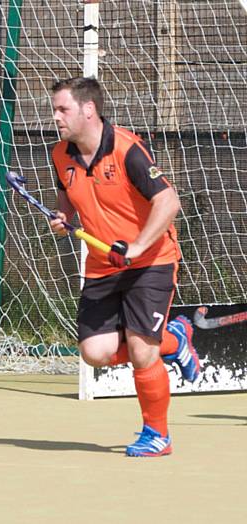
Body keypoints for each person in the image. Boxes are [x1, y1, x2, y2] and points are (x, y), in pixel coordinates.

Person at [49, 77, 200, 457]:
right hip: (103, 264)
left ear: (88, 110)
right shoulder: (60, 154)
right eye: (55, 109)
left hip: (151, 261)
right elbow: (67, 194)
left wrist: (136, 246)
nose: (55, 117)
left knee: (140, 349)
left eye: (62, 109)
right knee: (95, 353)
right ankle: (175, 338)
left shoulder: (128, 150)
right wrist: (63, 217)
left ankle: (157, 435)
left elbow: (168, 202)